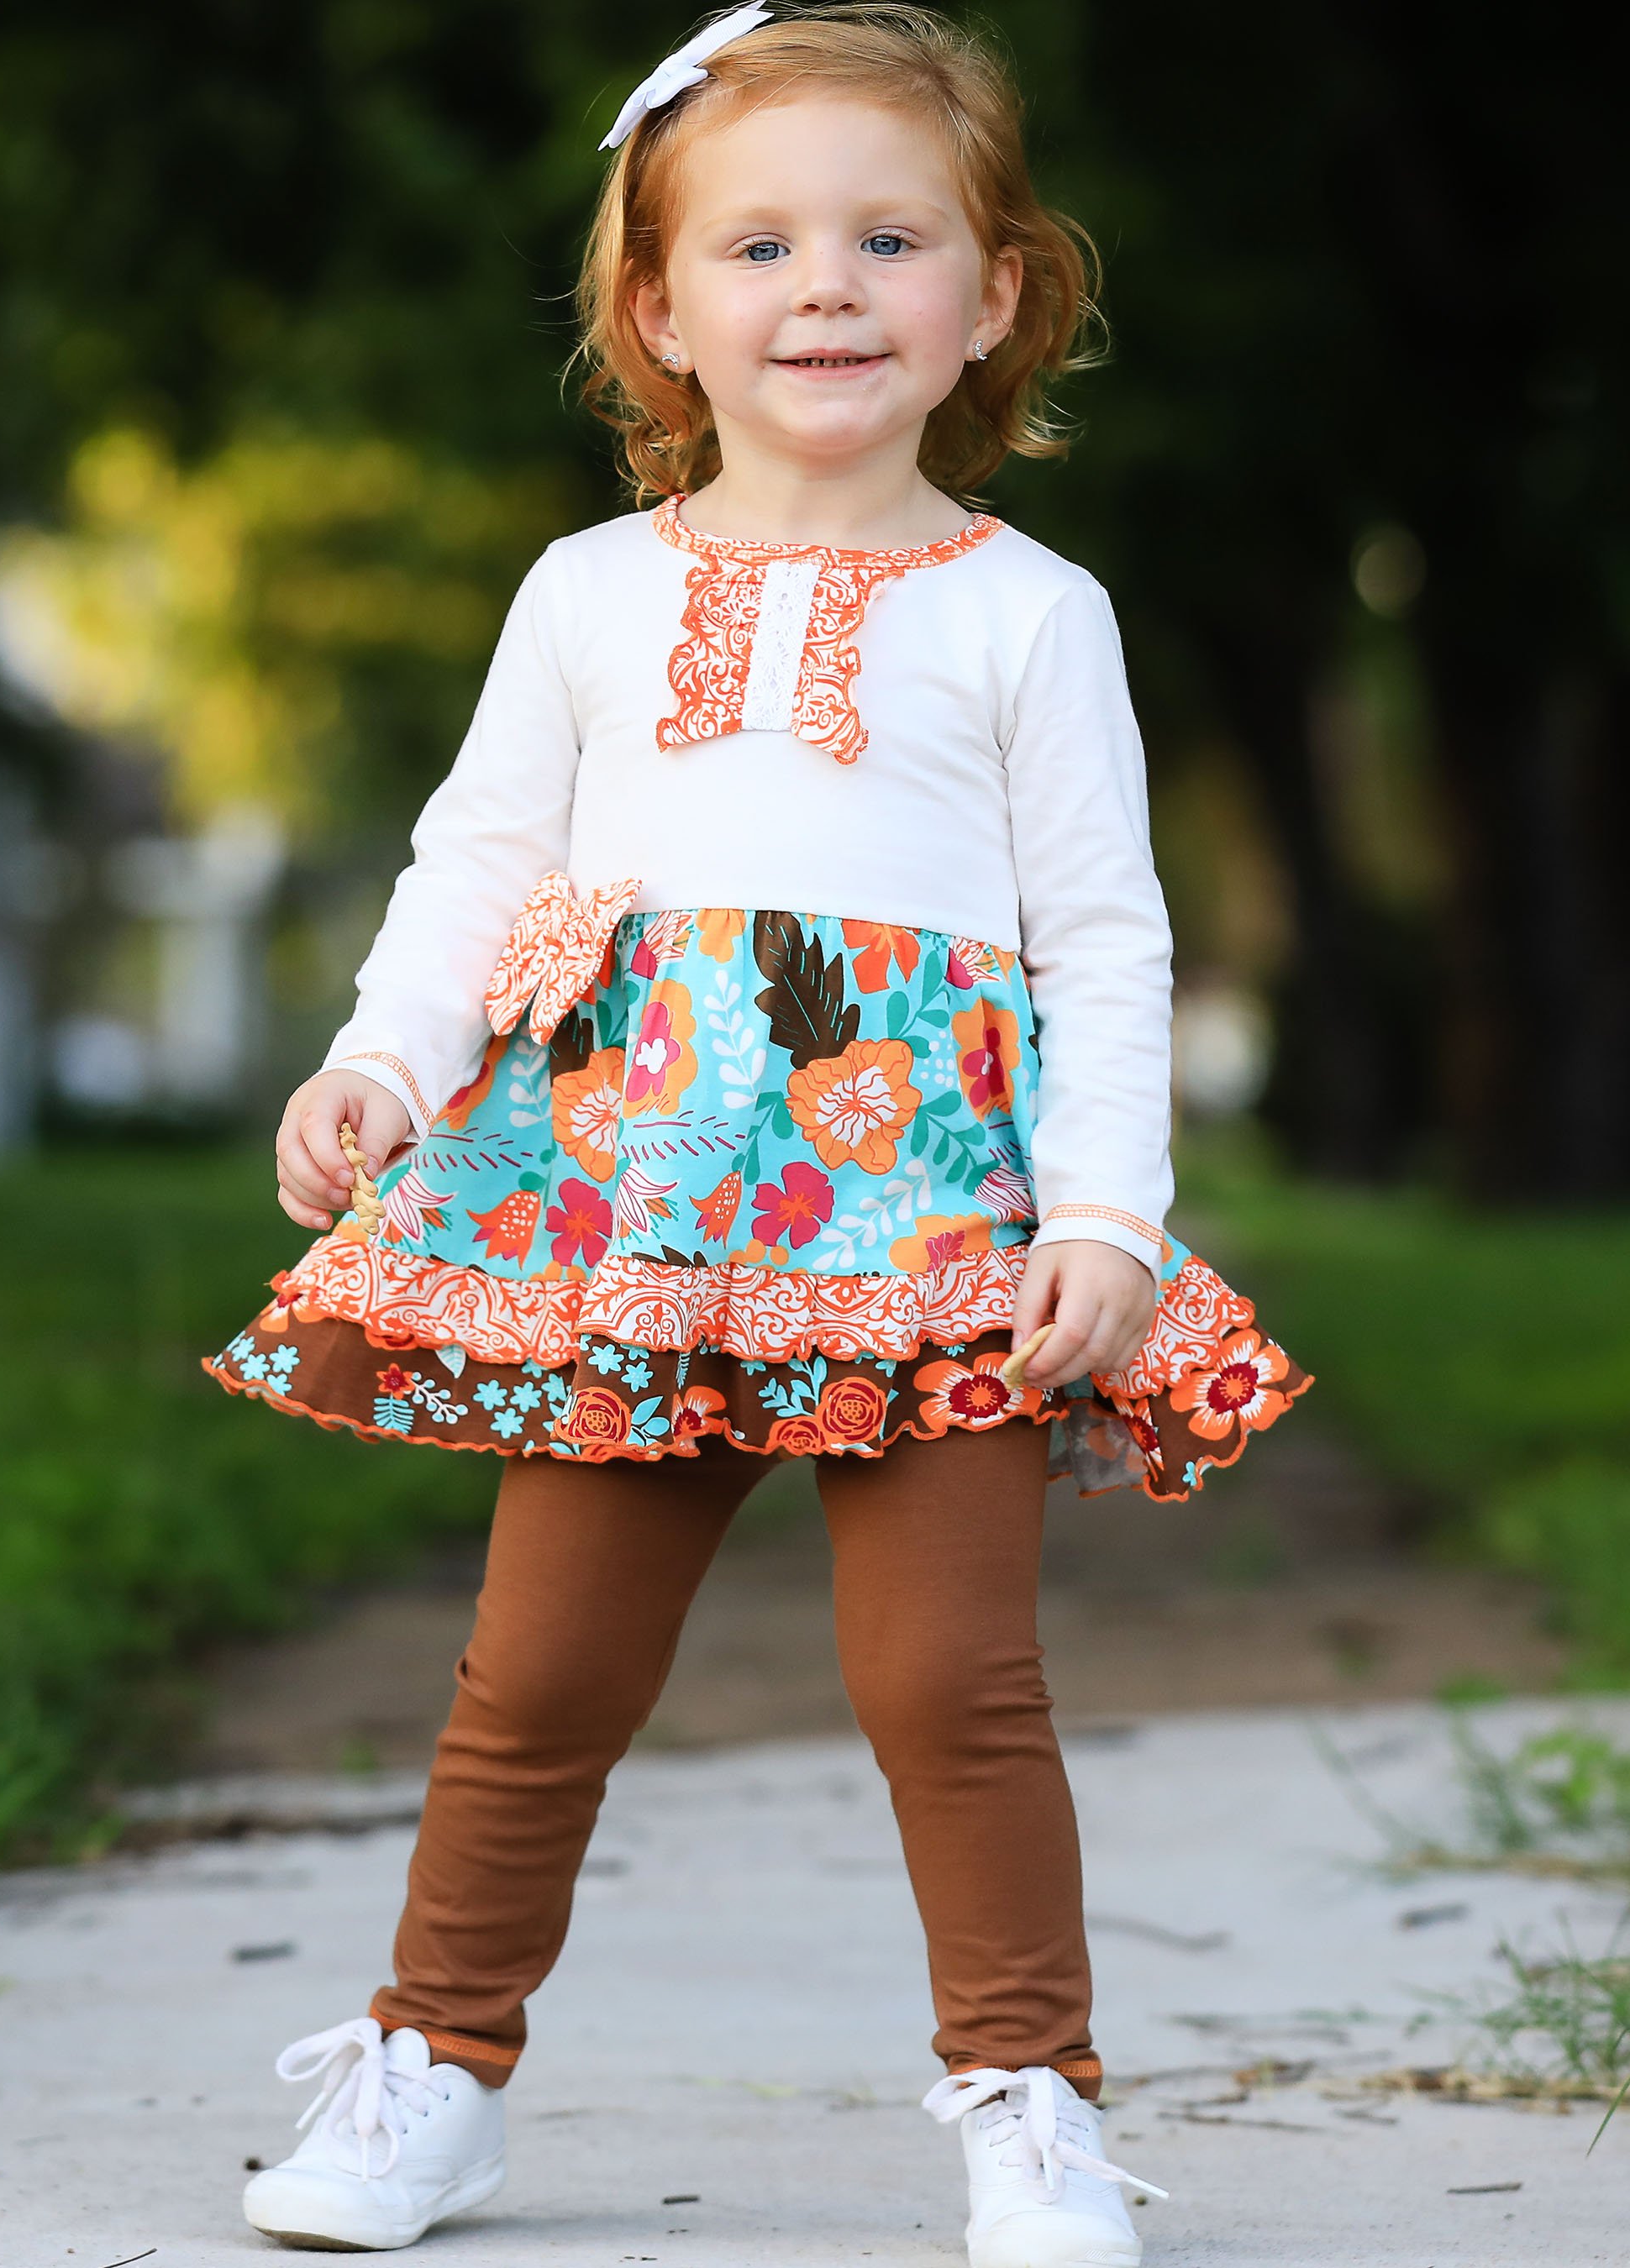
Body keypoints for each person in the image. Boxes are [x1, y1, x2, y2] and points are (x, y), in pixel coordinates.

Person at [210, 5, 1308, 2257]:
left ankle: (1029, 2094)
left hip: (926, 1229)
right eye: (763, 243)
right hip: (624, 1209)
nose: (826, 285)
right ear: (659, 310)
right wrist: (383, 1066)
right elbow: (480, 867)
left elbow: (1101, 931)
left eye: (889, 237)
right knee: (541, 1671)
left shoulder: (1025, 613)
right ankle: (433, 2064)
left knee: (945, 1678)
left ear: (990, 296)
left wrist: (1105, 1207)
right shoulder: (587, 594)